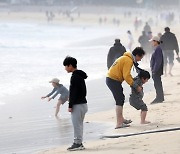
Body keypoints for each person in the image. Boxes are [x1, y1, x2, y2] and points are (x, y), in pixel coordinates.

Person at [106, 47, 145, 129]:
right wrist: (135, 86)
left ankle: (121, 119)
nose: (140, 60)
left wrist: (133, 83)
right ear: (137, 55)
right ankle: (119, 123)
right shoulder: (128, 60)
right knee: (119, 99)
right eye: (140, 58)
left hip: (112, 79)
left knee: (121, 98)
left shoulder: (126, 58)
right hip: (113, 80)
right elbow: (126, 76)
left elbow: (126, 75)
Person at [63, 56, 88, 151]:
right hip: (83, 104)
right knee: (79, 125)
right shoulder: (81, 75)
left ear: (70, 66)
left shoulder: (74, 77)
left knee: (77, 125)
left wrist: (70, 105)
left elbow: (73, 92)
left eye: (66, 66)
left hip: (77, 105)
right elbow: (83, 91)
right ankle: (79, 142)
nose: (65, 68)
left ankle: (77, 143)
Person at [150, 36, 164, 104]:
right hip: (156, 70)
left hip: (156, 70)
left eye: (152, 41)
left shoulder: (158, 49)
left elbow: (158, 61)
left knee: (157, 84)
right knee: (157, 84)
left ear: (155, 41)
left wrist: (154, 70)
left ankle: (159, 97)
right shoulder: (157, 48)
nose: (151, 43)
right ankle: (160, 97)